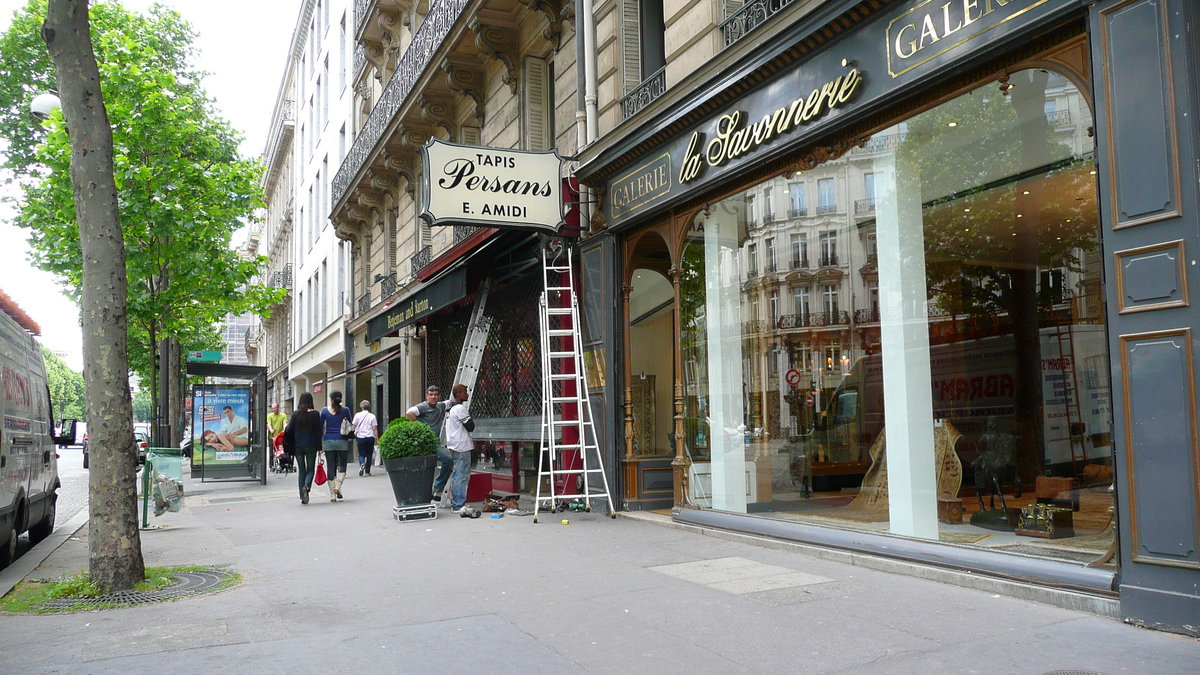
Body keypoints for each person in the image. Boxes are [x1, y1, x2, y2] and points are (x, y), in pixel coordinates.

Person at [406, 385, 453, 503]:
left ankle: (435, 489)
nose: (433, 397)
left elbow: (451, 401)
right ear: (427, 396)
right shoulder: (422, 407)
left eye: (436, 395)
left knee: (446, 461)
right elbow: (409, 413)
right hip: (426, 443)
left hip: (435, 442)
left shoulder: (441, 406)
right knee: (447, 460)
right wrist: (420, 427)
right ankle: (434, 489)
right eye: (431, 395)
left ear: (439, 396)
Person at [283, 392, 322, 504]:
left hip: (298, 447)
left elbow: (289, 429)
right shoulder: (315, 414)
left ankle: (302, 495)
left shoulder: (295, 414)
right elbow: (318, 432)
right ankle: (307, 487)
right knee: (310, 469)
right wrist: (319, 448)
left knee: (302, 470)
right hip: (311, 446)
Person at [442, 383, 476, 514]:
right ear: (458, 394)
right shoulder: (460, 409)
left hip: (454, 445)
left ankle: (456, 502)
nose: (467, 394)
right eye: (465, 392)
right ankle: (458, 505)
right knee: (461, 476)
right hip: (461, 446)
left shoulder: (451, 409)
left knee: (458, 475)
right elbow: (470, 426)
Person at [320, 390, 354, 502]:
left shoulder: (324, 411)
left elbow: (320, 428)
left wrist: (320, 445)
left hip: (328, 441)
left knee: (331, 466)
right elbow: (350, 423)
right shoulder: (345, 410)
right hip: (342, 440)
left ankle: (332, 495)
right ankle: (338, 487)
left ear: (330, 399)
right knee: (342, 464)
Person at [352, 400, 378, 476]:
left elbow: (354, 426)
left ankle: (362, 463)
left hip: (360, 437)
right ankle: (367, 470)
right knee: (369, 454)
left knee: (361, 453)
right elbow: (374, 428)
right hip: (370, 437)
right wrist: (377, 438)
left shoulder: (357, 415)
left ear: (361, 407)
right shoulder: (372, 416)